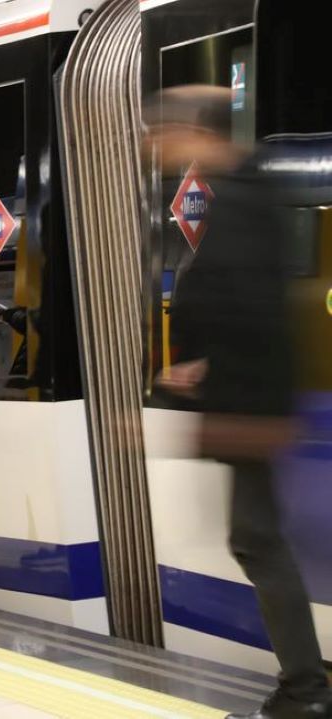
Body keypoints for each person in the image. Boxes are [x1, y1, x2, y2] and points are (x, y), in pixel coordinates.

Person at [154, 86, 330, 719]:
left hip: (251, 404)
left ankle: (306, 692)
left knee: (257, 540)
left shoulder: (246, 197)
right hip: (250, 398)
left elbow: (253, 309)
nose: (158, 145)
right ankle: (304, 688)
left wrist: (204, 365)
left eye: (165, 131)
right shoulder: (244, 190)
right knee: (255, 537)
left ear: (195, 132)